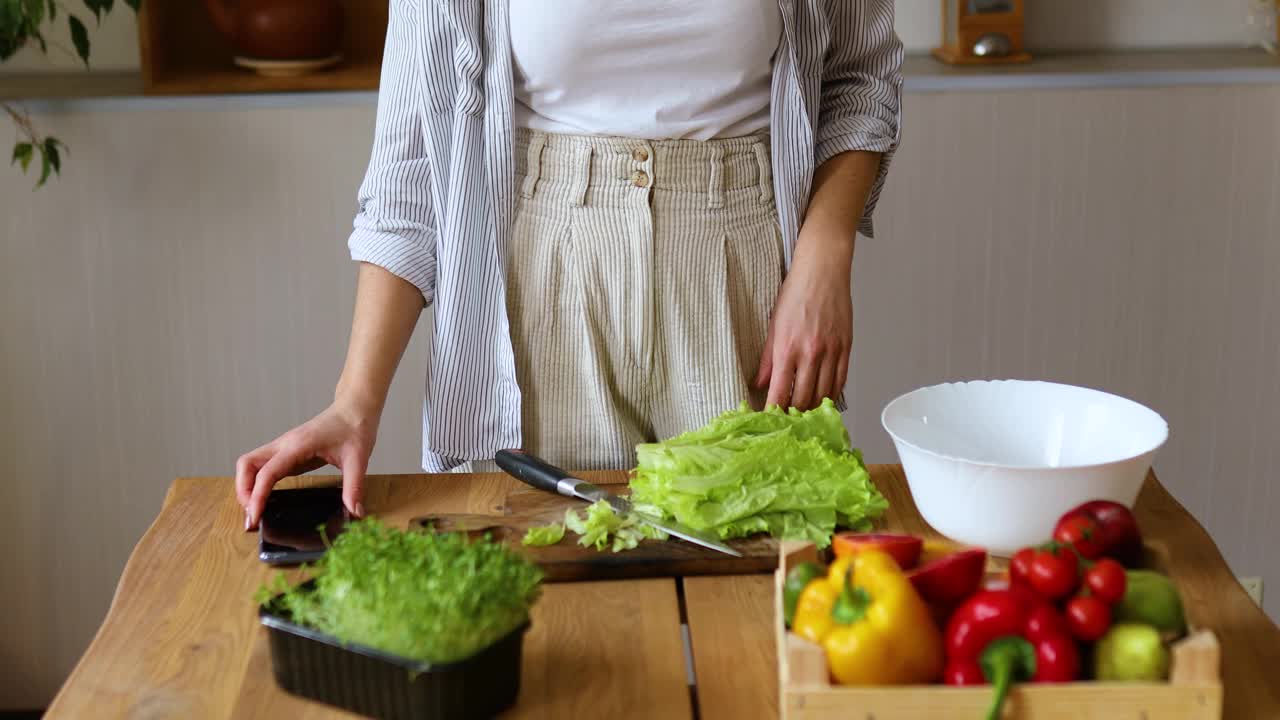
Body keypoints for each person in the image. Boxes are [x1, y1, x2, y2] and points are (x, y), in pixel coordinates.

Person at [236, 0, 903, 529]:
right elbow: (412, 172)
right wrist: (353, 404)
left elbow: (863, 76)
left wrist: (826, 247)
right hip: (542, 298)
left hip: (744, 283)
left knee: (761, 603)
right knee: (558, 611)